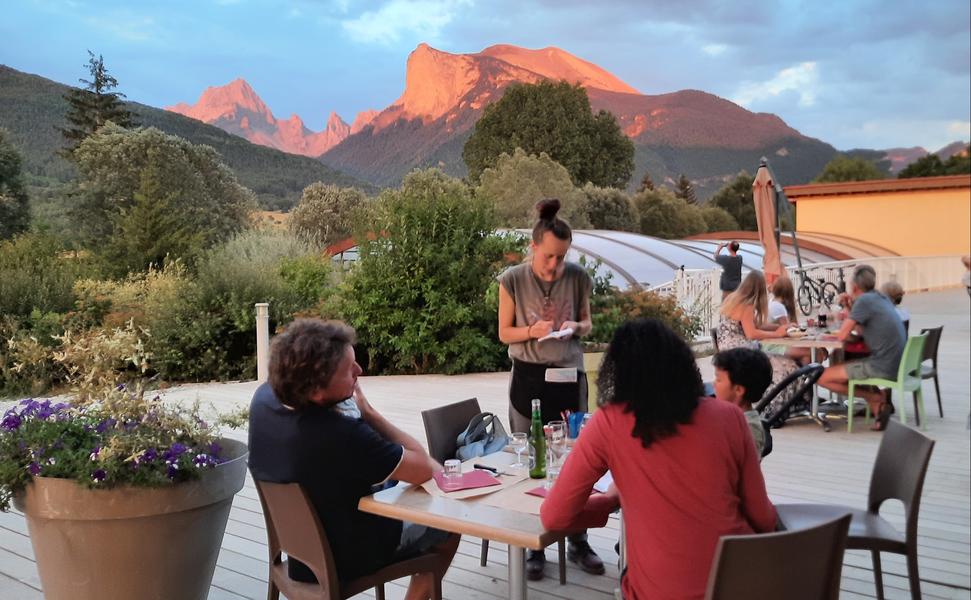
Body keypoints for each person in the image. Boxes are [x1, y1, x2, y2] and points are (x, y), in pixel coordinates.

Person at [540, 319, 777, 600]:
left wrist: (608, 502)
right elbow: (763, 518)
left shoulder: (608, 422)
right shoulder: (730, 417)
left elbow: (554, 516)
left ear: (617, 372)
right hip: (744, 582)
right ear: (684, 364)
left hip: (662, 591)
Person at [248, 319, 459, 600]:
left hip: (301, 555)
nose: (360, 371)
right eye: (349, 370)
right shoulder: (341, 434)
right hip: (348, 555)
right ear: (317, 391)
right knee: (448, 522)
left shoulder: (264, 398)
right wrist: (371, 414)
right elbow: (427, 470)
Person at [497, 198, 602, 580]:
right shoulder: (512, 279)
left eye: (562, 257)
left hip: (569, 377)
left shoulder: (578, 277)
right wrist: (532, 330)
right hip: (527, 378)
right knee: (532, 460)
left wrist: (575, 326)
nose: (555, 264)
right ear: (534, 246)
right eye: (549, 256)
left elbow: (588, 323)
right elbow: (504, 333)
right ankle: (533, 544)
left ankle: (578, 541)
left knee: (578, 460)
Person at [818, 265, 906, 431]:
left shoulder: (864, 301)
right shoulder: (880, 297)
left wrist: (825, 333)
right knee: (848, 366)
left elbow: (842, 335)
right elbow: (859, 330)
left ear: (854, 287)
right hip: (896, 363)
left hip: (881, 365)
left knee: (821, 377)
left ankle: (873, 397)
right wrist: (849, 306)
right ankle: (879, 414)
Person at [718, 270, 798, 419]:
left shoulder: (733, 299)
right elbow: (752, 334)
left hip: (727, 349)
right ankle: (774, 410)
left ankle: (778, 407)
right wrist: (778, 334)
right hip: (739, 351)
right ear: (759, 289)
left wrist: (781, 327)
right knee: (784, 366)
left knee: (783, 364)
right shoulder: (747, 305)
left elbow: (757, 326)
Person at [712, 348, 774, 459]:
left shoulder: (750, 430)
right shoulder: (728, 415)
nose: (713, 384)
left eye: (718, 379)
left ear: (738, 390)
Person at [765, 275, 823, 365]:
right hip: (774, 346)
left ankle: (804, 373)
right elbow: (788, 330)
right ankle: (811, 373)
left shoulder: (772, 301)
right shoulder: (779, 307)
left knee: (808, 356)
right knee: (815, 353)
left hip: (771, 342)